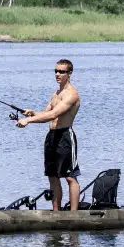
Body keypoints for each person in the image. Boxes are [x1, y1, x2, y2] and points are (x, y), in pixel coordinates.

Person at [15, 59, 81, 211]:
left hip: (65, 136)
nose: (58, 74)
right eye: (56, 71)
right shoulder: (56, 94)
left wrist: (28, 120)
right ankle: (56, 213)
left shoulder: (71, 94)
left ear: (69, 73)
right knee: (52, 176)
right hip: (51, 136)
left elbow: (54, 114)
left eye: (62, 72)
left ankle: (74, 215)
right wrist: (32, 113)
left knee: (70, 177)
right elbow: (46, 114)